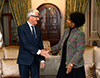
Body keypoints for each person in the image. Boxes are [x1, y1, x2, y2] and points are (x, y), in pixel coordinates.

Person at [50, 12, 86, 78]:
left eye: (69, 20)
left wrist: (72, 63)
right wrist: (50, 50)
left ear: (73, 23)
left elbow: (80, 51)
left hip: (75, 67)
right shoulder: (66, 31)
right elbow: (60, 45)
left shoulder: (80, 34)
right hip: (64, 63)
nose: (67, 21)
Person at [17, 8, 49, 78]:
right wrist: (39, 52)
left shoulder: (38, 29)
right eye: (37, 17)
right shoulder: (21, 28)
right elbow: (25, 44)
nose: (38, 19)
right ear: (30, 17)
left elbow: (40, 44)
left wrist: (43, 60)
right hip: (24, 61)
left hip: (35, 61)